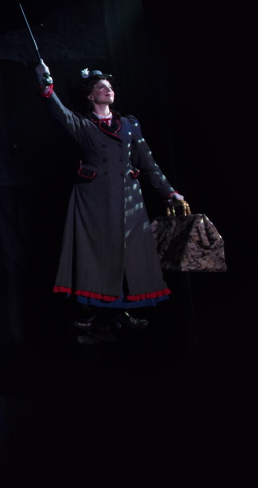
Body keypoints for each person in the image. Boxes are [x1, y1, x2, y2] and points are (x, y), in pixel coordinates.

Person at [36, 61, 186, 332]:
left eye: (110, 87)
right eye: (101, 87)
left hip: (127, 198)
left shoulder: (129, 124)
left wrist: (169, 191)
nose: (108, 90)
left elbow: (147, 161)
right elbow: (57, 112)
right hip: (94, 199)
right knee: (94, 253)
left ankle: (123, 311)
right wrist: (46, 85)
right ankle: (92, 310)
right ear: (90, 96)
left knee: (129, 253)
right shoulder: (82, 124)